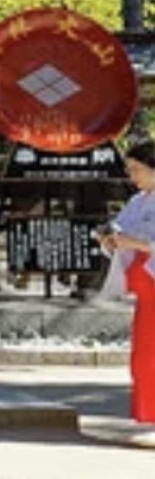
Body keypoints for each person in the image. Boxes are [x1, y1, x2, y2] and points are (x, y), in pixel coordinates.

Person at [97, 137, 155, 427]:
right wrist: (110, 239)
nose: (132, 176)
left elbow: (140, 240)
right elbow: (121, 230)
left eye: (137, 169)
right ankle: (148, 416)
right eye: (130, 169)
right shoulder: (137, 201)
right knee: (144, 356)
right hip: (147, 291)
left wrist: (135, 242)